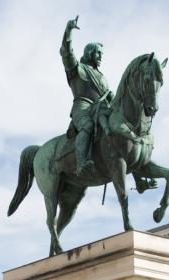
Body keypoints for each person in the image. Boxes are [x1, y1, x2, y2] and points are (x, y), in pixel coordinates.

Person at [61, 16, 113, 176]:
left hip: (100, 109)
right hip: (82, 106)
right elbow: (67, 53)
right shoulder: (78, 69)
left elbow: (109, 97)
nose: (100, 56)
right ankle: (81, 163)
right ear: (90, 53)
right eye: (98, 52)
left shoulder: (103, 78)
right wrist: (68, 31)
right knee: (88, 126)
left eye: (102, 53)